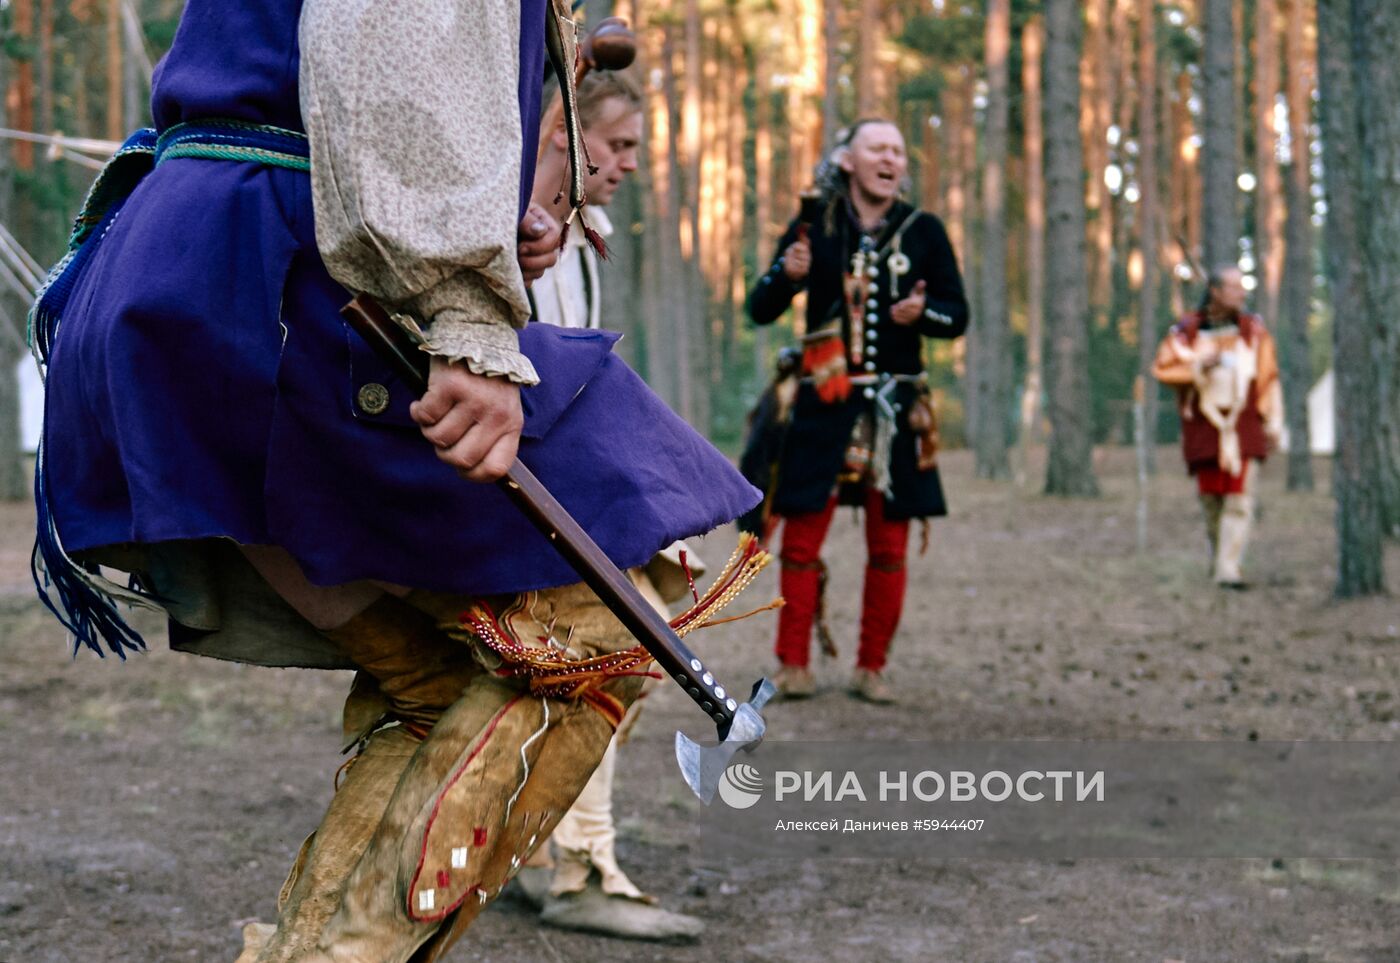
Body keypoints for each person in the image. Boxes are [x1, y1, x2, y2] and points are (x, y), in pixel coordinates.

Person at [28, 2, 758, 961]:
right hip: (276, 277)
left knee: (436, 683)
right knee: (597, 631)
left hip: (187, 273)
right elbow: (392, 39)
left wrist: (480, 219)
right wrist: (463, 300)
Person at [511, 68, 704, 942]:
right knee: (612, 647)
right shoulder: (510, 219)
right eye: (617, 144)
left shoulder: (584, 233)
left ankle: (540, 848)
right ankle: (581, 866)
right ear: (563, 127)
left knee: (642, 635)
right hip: (512, 491)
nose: (628, 162)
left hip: (567, 483)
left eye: (635, 148)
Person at [745, 119, 969, 704]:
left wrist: (923, 314)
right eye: (878, 148)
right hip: (823, 402)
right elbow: (760, 307)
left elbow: (957, 315)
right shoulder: (813, 223)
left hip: (897, 409)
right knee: (801, 540)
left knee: (889, 546)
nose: (891, 158)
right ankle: (793, 665)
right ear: (848, 160)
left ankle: (872, 668)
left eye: (898, 150)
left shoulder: (924, 230)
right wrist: (788, 275)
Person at [1152, 265, 1283, 589]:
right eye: (1234, 287)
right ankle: (1220, 561)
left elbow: (1268, 378)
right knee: (1212, 499)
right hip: (1204, 425)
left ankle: (1229, 570)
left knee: (1239, 499)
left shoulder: (1254, 332)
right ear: (1215, 291)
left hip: (1243, 424)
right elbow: (1164, 368)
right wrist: (1199, 365)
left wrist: (1272, 423)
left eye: (1242, 286)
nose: (1242, 293)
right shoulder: (1187, 332)